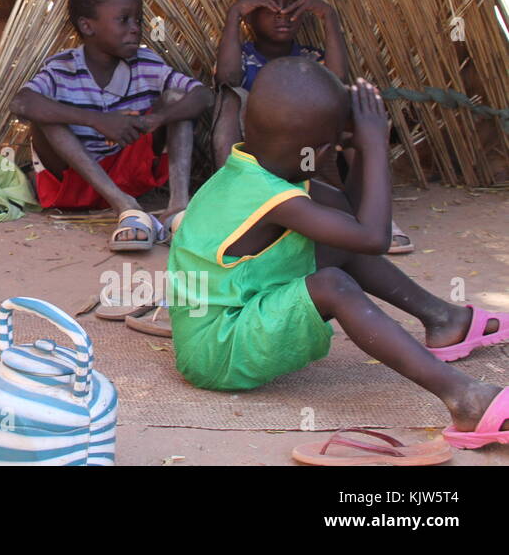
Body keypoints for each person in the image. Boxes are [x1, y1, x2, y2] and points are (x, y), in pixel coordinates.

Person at [168, 58, 509, 448]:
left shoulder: (256, 168)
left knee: (335, 238)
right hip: (217, 352)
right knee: (333, 285)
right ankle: (464, 399)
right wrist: (376, 147)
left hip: (232, 318)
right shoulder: (273, 198)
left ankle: (444, 320)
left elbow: (352, 221)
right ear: (322, 149)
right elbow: (374, 237)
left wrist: (361, 153)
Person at [212, 0, 412, 253]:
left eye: (292, 3)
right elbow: (227, 77)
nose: (283, 13)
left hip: (311, 159)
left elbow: (336, 82)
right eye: (269, 4)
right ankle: (229, 205)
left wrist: (329, 16)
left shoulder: (310, 58)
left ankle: (374, 216)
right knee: (229, 99)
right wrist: (234, 15)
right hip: (260, 160)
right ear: (250, 13)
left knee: (354, 110)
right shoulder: (242, 58)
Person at [10, 0, 212, 252]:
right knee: (45, 112)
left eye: (138, 20)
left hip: (130, 174)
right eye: (123, 19)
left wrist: (156, 119)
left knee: (177, 98)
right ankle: (125, 207)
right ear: (87, 26)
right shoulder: (62, 68)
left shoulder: (146, 65)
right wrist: (97, 120)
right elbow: (21, 104)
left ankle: (177, 209)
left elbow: (203, 95)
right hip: (74, 185)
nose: (135, 28)